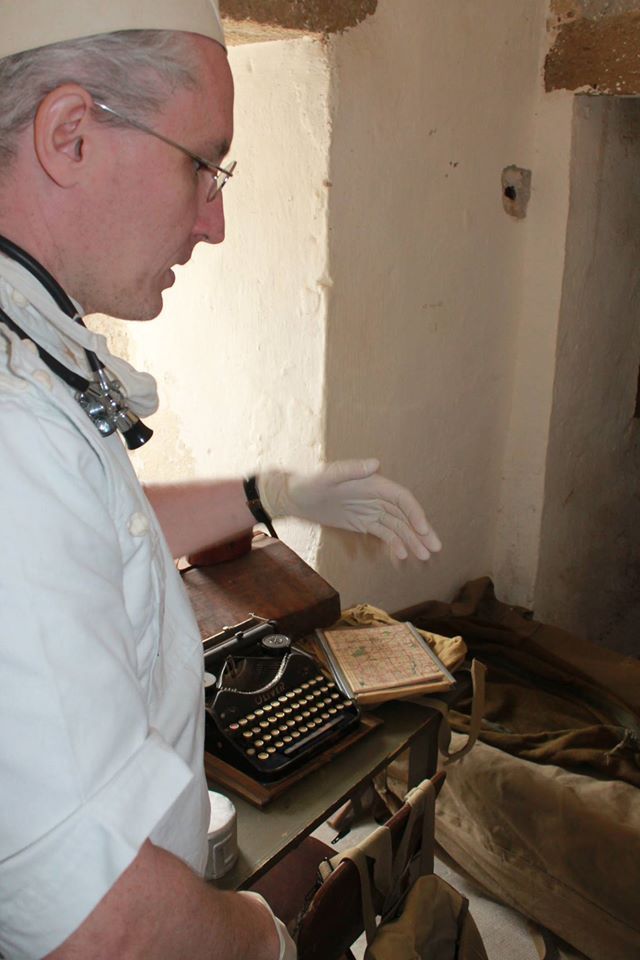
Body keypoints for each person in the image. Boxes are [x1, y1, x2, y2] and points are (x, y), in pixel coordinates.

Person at [0, 3, 442, 958]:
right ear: (70, 135)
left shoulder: (32, 347)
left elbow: (96, 523)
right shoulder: (12, 431)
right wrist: (266, 937)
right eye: (202, 164)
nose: (216, 221)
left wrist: (270, 496)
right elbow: (110, 931)